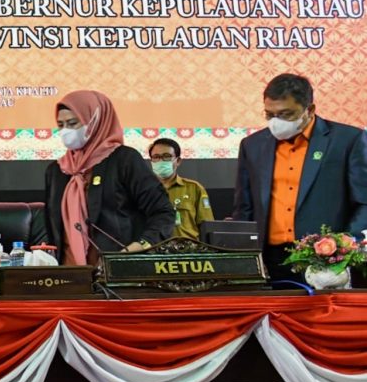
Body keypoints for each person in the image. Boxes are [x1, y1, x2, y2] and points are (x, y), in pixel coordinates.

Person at [233, 73, 367, 281]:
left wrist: (345, 245)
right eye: (270, 114)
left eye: (286, 114)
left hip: (328, 262)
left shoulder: (347, 140)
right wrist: (244, 257)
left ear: (309, 110)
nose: (276, 122)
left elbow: (364, 202)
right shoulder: (252, 145)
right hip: (270, 260)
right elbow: (244, 208)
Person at [45, 90, 175, 265]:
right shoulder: (57, 170)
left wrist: (141, 245)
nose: (65, 131)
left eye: (73, 123)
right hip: (71, 274)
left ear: (96, 121)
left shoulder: (124, 160)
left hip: (121, 269)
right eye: (61, 125)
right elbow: (52, 228)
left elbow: (163, 212)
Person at [148, 138, 214, 240]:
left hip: (188, 248)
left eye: (167, 156)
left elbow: (207, 226)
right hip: (154, 248)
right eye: (156, 157)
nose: (161, 161)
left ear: (178, 161)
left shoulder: (194, 188)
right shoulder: (144, 190)